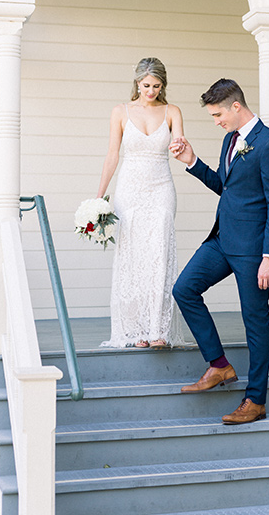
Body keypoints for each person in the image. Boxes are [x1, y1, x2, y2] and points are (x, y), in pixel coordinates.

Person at [170, 78, 269, 424]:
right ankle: (219, 365)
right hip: (222, 240)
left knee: (255, 322)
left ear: (236, 106)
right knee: (184, 289)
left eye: (218, 114)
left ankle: (255, 401)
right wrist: (193, 162)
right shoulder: (229, 140)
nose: (216, 120)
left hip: (253, 249)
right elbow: (225, 186)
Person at [98, 57, 185, 349]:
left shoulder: (172, 111)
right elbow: (112, 155)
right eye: (147, 85)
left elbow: (180, 142)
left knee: (160, 254)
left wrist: (180, 146)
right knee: (133, 258)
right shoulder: (120, 112)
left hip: (162, 187)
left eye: (157, 86)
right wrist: (99, 195)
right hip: (130, 189)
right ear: (137, 83)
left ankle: (158, 329)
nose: (151, 91)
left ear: (163, 85)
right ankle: (137, 331)